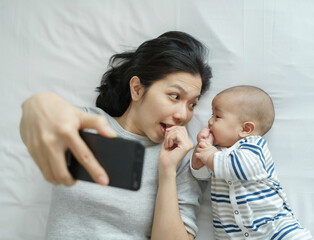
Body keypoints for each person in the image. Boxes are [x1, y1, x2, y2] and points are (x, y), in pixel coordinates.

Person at [19, 31, 212, 239]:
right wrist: (37, 104)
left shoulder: (185, 158)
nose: (183, 115)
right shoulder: (87, 124)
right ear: (137, 89)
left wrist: (166, 171)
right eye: (175, 96)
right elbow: (40, 115)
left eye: (192, 104)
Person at [191, 85, 314, 239]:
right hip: (231, 235)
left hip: (273, 227)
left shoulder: (254, 146)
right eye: (212, 115)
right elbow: (200, 174)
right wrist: (200, 151)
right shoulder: (218, 152)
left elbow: (244, 168)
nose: (209, 122)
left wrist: (209, 154)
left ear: (245, 129)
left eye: (217, 116)